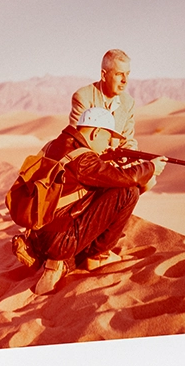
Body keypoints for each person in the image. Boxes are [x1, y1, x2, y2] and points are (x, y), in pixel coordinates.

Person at [25, 106, 166, 296]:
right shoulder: (83, 158)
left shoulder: (54, 145)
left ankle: (58, 262)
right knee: (128, 192)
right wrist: (150, 167)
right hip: (59, 240)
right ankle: (97, 255)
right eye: (107, 139)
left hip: (37, 236)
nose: (108, 145)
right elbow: (124, 179)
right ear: (96, 132)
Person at [70, 49, 136, 149]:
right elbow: (77, 141)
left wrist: (129, 155)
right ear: (104, 75)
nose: (125, 80)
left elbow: (127, 141)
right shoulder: (83, 97)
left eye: (127, 74)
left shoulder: (128, 103)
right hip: (89, 161)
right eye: (119, 74)